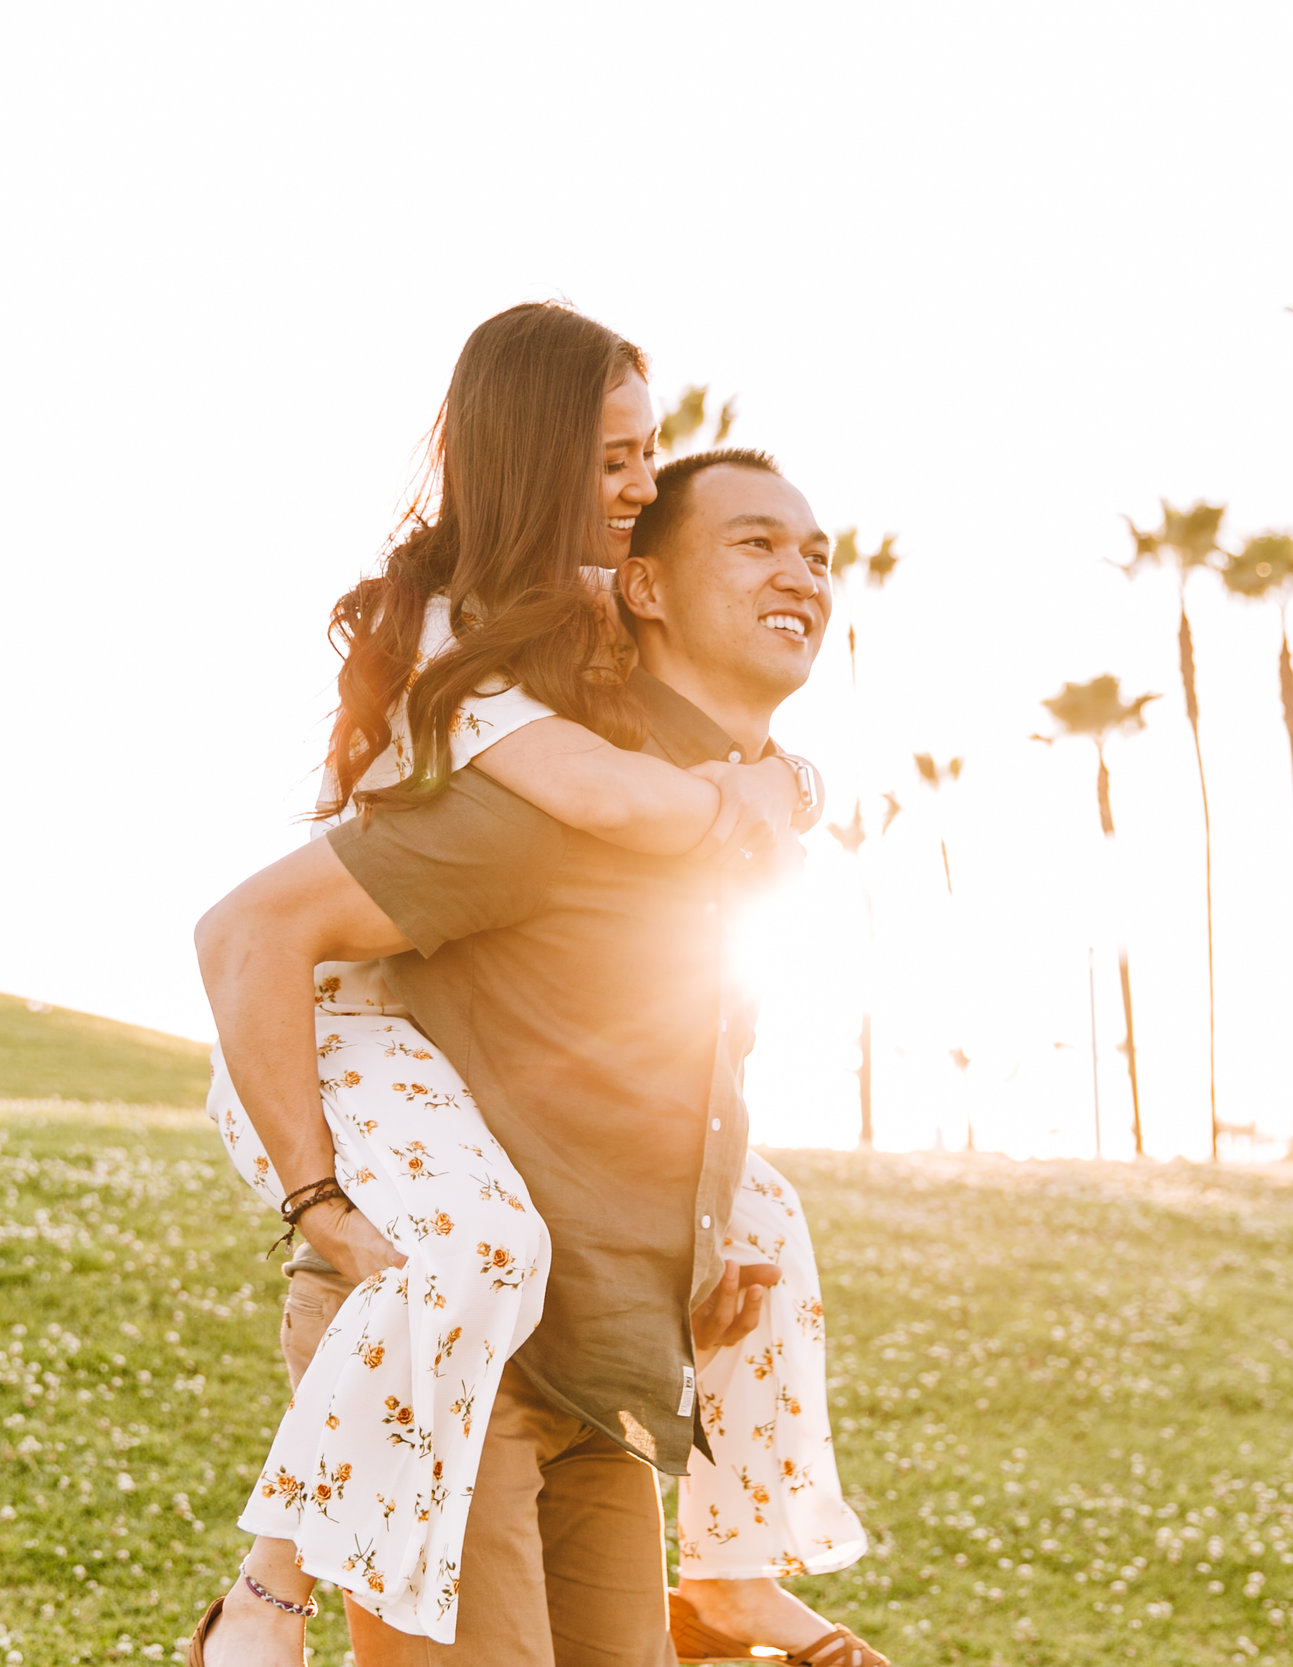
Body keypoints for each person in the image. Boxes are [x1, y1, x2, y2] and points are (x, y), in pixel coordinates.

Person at [193, 305, 878, 1666]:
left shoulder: (689, 806)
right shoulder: (533, 787)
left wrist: (707, 1238)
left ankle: (736, 1571)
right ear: (646, 586)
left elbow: (677, 1036)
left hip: (603, 1370)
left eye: (815, 551)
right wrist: (322, 1203)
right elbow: (250, 935)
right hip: (466, 1368)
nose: (801, 572)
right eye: (752, 542)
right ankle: (264, 1594)